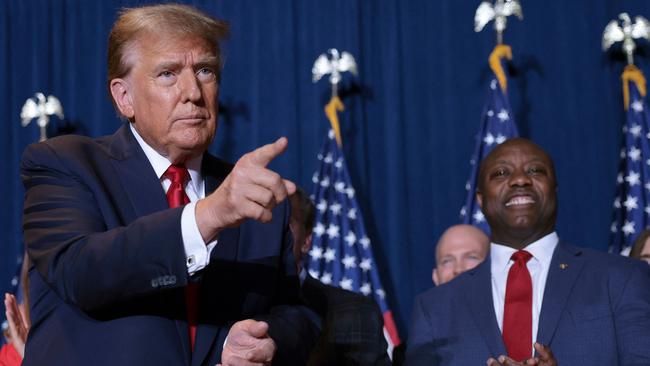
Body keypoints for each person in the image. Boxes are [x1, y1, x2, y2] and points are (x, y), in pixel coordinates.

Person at [20, 4, 313, 365]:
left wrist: (267, 339)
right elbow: (82, 272)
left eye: (205, 70)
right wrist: (208, 217)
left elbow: (297, 315)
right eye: (168, 74)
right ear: (123, 97)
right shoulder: (64, 164)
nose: (193, 92)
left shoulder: (253, 197)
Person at [406, 138, 650, 365]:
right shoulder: (435, 309)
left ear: (554, 188)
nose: (520, 180)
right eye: (501, 173)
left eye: (535, 170)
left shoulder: (623, 278)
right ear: (480, 199)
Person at [289, 188, 391, 366]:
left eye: (284, 222)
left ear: (306, 241)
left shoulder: (356, 314)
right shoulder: (230, 304)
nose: (269, 234)